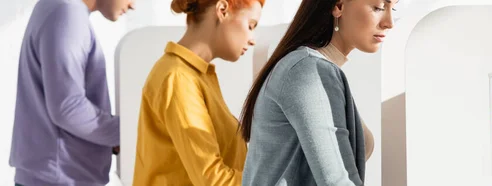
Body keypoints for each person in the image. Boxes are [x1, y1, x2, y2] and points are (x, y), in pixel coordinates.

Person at [239, 0, 396, 185]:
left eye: (393, 8)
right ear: (338, 6)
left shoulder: (311, 67)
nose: (389, 22)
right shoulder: (308, 70)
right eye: (378, 7)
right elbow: (338, 181)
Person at [132, 0, 264, 185]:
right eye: (250, 26)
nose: (252, 39)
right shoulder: (178, 77)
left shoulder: (195, 75)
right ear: (222, 10)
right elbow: (212, 180)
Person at [9, 0, 135, 185]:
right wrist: (131, 131)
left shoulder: (59, 8)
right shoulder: (67, 13)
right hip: (60, 179)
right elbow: (67, 108)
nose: (133, 5)